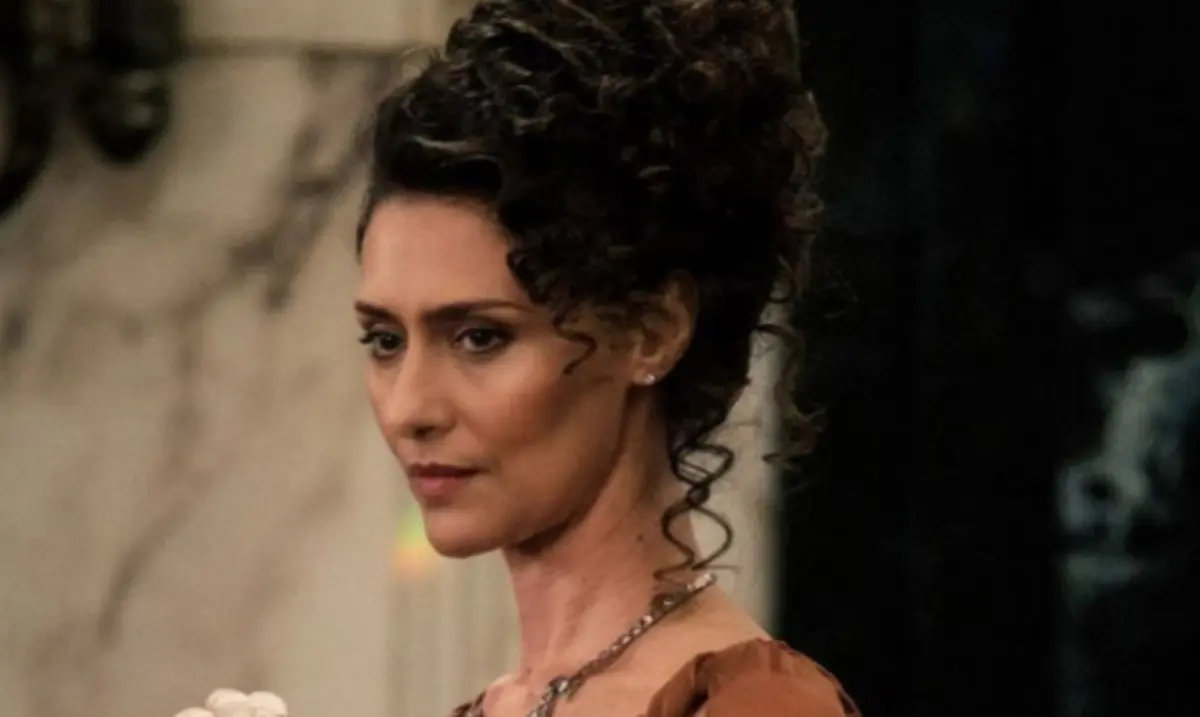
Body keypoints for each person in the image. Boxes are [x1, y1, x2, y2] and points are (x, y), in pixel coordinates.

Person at [358, 1, 852, 715]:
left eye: (480, 337)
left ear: (652, 331)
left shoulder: (756, 705)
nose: (409, 408)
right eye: (385, 340)